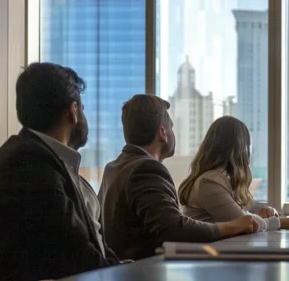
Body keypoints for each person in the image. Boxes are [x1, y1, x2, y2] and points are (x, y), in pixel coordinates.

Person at [0, 62, 119, 280]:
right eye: (82, 108)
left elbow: (89, 248)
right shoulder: (28, 164)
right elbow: (78, 256)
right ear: (73, 111)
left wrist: (123, 269)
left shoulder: (39, 158)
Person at [99, 95, 257, 260]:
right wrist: (233, 226)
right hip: (143, 270)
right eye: (171, 128)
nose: (173, 133)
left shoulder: (113, 167)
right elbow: (174, 229)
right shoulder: (146, 169)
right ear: (163, 133)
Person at [179, 116, 289, 229]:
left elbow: (251, 205)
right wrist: (286, 222)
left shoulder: (222, 179)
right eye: (248, 145)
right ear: (240, 149)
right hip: (210, 250)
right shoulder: (209, 182)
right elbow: (246, 223)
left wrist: (270, 211)